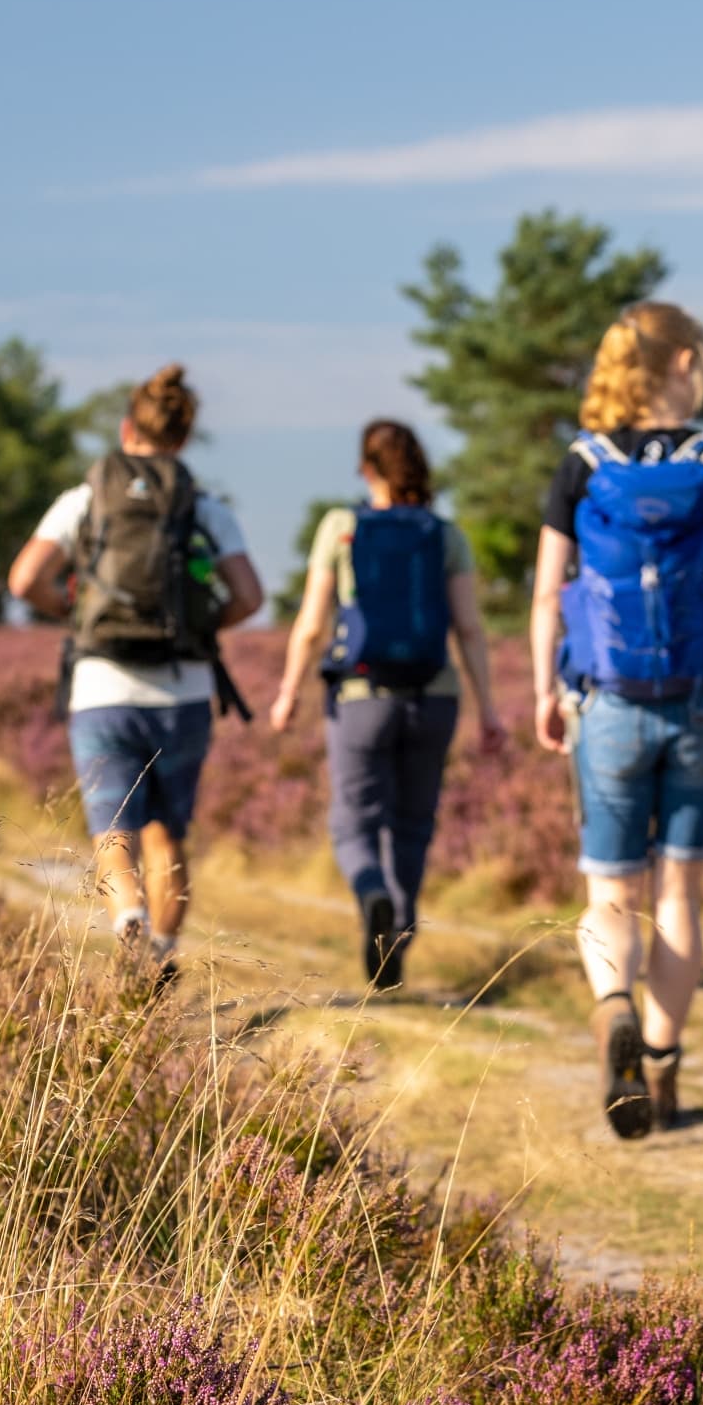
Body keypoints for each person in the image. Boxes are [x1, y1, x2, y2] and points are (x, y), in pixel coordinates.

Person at [531, 303, 703, 1139]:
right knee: (678, 889)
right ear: (683, 361)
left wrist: (545, 688)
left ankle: (614, 1008)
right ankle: (665, 1067)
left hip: (607, 699)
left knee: (612, 888)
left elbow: (546, 590)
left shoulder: (582, 462)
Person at [9, 365, 264, 970]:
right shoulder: (203, 507)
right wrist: (198, 628)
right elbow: (250, 598)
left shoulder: (85, 498)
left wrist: (75, 613)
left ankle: (128, 918)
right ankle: (164, 949)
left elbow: (24, 580)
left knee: (112, 827)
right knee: (167, 832)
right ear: (182, 438)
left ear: (127, 430)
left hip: (102, 688)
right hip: (184, 692)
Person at [266, 421, 510, 991]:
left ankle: (372, 892)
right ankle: (398, 928)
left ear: (365, 468)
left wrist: (286, 693)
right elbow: (470, 629)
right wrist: (490, 711)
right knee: (413, 824)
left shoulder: (342, 527)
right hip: (435, 696)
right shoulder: (446, 534)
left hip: (360, 697)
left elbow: (311, 625)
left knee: (353, 824)